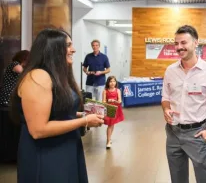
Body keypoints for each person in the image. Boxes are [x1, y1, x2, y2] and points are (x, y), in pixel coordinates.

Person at [10, 29, 104, 183]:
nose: (73, 49)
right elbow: (38, 130)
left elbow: (57, 112)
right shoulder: (38, 77)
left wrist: (84, 115)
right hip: (47, 154)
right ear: (52, 49)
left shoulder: (56, 76)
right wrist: (85, 121)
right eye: (68, 45)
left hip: (65, 148)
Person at [161, 25, 206, 183]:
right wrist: (166, 109)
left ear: (196, 43)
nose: (179, 47)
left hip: (197, 134)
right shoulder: (170, 70)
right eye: (176, 43)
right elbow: (165, 96)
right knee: (177, 177)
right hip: (173, 132)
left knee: (204, 178)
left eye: (183, 42)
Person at [102, 75, 124, 149]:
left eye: (114, 81)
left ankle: (109, 139)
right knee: (110, 125)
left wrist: (115, 101)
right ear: (108, 82)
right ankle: (108, 141)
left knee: (112, 124)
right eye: (111, 81)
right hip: (109, 109)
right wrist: (108, 101)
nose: (112, 83)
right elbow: (103, 101)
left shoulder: (118, 90)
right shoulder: (105, 91)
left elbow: (120, 101)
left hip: (116, 109)